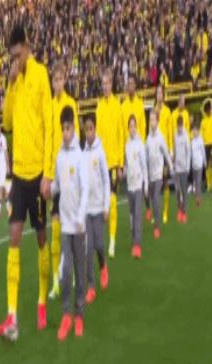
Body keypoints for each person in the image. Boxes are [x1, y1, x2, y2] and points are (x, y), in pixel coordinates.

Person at [0, 25, 53, 341]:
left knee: (42, 240)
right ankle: (12, 315)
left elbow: (49, 125)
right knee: (14, 237)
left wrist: (48, 172)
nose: (15, 61)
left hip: (38, 176)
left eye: (17, 55)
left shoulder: (41, 75)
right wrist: (10, 85)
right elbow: (6, 123)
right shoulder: (15, 83)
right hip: (19, 174)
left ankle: (42, 301)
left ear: (27, 47)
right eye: (12, 57)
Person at [51, 106, 88, 341]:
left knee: (79, 269)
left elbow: (85, 189)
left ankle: (79, 313)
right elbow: (57, 185)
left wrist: (81, 216)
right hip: (65, 223)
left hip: (78, 224)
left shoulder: (79, 156)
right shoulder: (59, 156)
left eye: (68, 128)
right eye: (62, 129)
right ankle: (66, 313)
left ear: (74, 128)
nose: (65, 133)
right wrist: (49, 188)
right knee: (65, 270)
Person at [49, 61, 80, 299]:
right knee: (56, 231)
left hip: (69, 172)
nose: (57, 83)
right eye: (54, 80)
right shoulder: (49, 106)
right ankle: (56, 282)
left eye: (60, 80)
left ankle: (72, 273)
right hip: (54, 173)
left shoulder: (70, 104)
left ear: (64, 80)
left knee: (72, 230)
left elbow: (75, 139)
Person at [96, 68, 124, 258]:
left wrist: (121, 163)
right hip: (100, 164)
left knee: (112, 201)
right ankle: (102, 237)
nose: (105, 87)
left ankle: (112, 240)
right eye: (103, 84)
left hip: (113, 162)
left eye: (107, 83)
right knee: (101, 204)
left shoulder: (117, 106)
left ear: (111, 84)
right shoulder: (99, 107)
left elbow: (121, 135)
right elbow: (97, 136)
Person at [83, 113, 109, 304]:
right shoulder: (82, 153)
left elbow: (106, 180)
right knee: (87, 249)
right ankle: (91, 287)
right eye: (86, 129)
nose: (89, 132)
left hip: (98, 207)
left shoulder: (100, 152)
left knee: (99, 245)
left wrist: (106, 205)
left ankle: (103, 265)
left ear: (95, 129)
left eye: (91, 128)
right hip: (86, 210)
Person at [146, 109, 174, 239]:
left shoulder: (160, 137)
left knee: (156, 198)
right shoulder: (148, 139)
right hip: (150, 174)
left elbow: (166, 153)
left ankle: (157, 227)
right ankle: (154, 215)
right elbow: (146, 156)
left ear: (157, 121)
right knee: (152, 199)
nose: (151, 122)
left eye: (153, 119)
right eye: (150, 119)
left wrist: (171, 167)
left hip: (158, 174)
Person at [125, 115, 148, 259]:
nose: (132, 128)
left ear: (136, 127)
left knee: (138, 214)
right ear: (128, 128)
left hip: (139, 184)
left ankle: (137, 245)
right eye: (130, 126)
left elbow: (144, 165)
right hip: (130, 185)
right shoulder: (126, 145)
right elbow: (127, 165)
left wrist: (146, 183)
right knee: (132, 215)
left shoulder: (140, 144)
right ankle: (134, 239)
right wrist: (123, 172)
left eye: (134, 125)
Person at [154, 85, 173, 225]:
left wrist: (171, 150)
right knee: (156, 184)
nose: (159, 95)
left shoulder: (167, 111)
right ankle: (156, 211)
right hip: (155, 152)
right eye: (157, 93)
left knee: (165, 181)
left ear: (164, 95)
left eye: (161, 92)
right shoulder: (153, 112)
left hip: (164, 151)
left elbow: (170, 131)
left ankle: (165, 211)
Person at [173, 116, 191, 223]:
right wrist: (174, 163)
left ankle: (184, 213)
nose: (179, 128)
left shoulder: (186, 136)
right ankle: (179, 210)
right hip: (177, 167)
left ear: (182, 125)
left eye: (181, 126)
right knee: (177, 190)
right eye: (178, 126)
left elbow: (188, 151)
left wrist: (188, 166)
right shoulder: (175, 135)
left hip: (184, 168)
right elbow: (175, 149)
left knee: (184, 190)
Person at [121, 73, 146, 145]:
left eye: (132, 84)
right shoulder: (123, 106)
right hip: (127, 144)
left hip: (138, 144)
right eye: (129, 84)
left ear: (135, 85)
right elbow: (122, 128)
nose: (130, 86)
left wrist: (142, 143)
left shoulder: (140, 104)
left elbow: (143, 126)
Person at [201, 99, 212, 192]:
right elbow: (202, 134)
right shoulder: (203, 121)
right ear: (207, 110)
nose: (211, 110)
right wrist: (203, 144)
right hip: (206, 145)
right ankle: (209, 184)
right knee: (208, 165)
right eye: (210, 108)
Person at [191, 121, 207, 206]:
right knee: (195, 182)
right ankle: (196, 197)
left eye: (195, 130)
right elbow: (191, 153)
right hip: (194, 164)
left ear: (198, 131)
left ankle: (198, 199)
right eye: (193, 130)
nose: (193, 132)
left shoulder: (200, 141)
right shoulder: (192, 141)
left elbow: (203, 152)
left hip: (199, 164)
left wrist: (205, 162)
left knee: (198, 182)